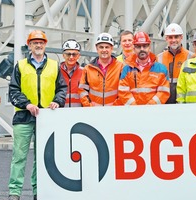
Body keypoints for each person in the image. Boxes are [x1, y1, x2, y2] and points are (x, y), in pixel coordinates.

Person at [8, 30, 67, 200]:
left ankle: (38, 191)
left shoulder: (54, 66)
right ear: (29, 45)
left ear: (45, 44)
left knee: (40, 158)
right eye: (35, 43)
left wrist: (58, 101)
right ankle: (14, 192)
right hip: (23, 118)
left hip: (46, 118)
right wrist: (26, 104)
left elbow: (62, 89)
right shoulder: (20, 65)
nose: (38, 45)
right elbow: (13, 90)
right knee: (19, 156)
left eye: (41, 42)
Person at [118, 31, 170, 105]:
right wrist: (135, 107)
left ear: (149, 47)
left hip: (153, 112)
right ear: (134, 48)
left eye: (145, 46)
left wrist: (150, 106)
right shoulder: (126, 70)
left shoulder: (161, 69)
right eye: (138, 46)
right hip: (133, 112)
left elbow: (164, 92)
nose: (142, 49)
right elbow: (123, 92)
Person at [78, 32, 123, 106]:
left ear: (111, 48)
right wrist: (89, 107)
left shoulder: (120, 67)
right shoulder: (88, 69)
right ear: (97, 48)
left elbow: (124, 90)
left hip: (115, 112)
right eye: (101, 47)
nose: (104, 50)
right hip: (94, 113)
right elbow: (82, 91)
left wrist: (115, 107)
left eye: (107, 47)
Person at [157, 23, 195, 104]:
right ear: (166, 38)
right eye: (170, 37)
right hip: (164, 102)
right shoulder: (159, 58)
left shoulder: (191, 57)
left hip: (182, 102)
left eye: (176, 37)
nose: (173, 40)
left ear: (181, 37)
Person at [60, 39, 83, 107]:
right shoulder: (56, 72)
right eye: (68, 54)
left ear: (79, 56)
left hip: (79, 112)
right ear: (63, 55)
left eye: (74, 54)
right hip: (60, 112)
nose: (71, 57)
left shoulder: (84, 72)